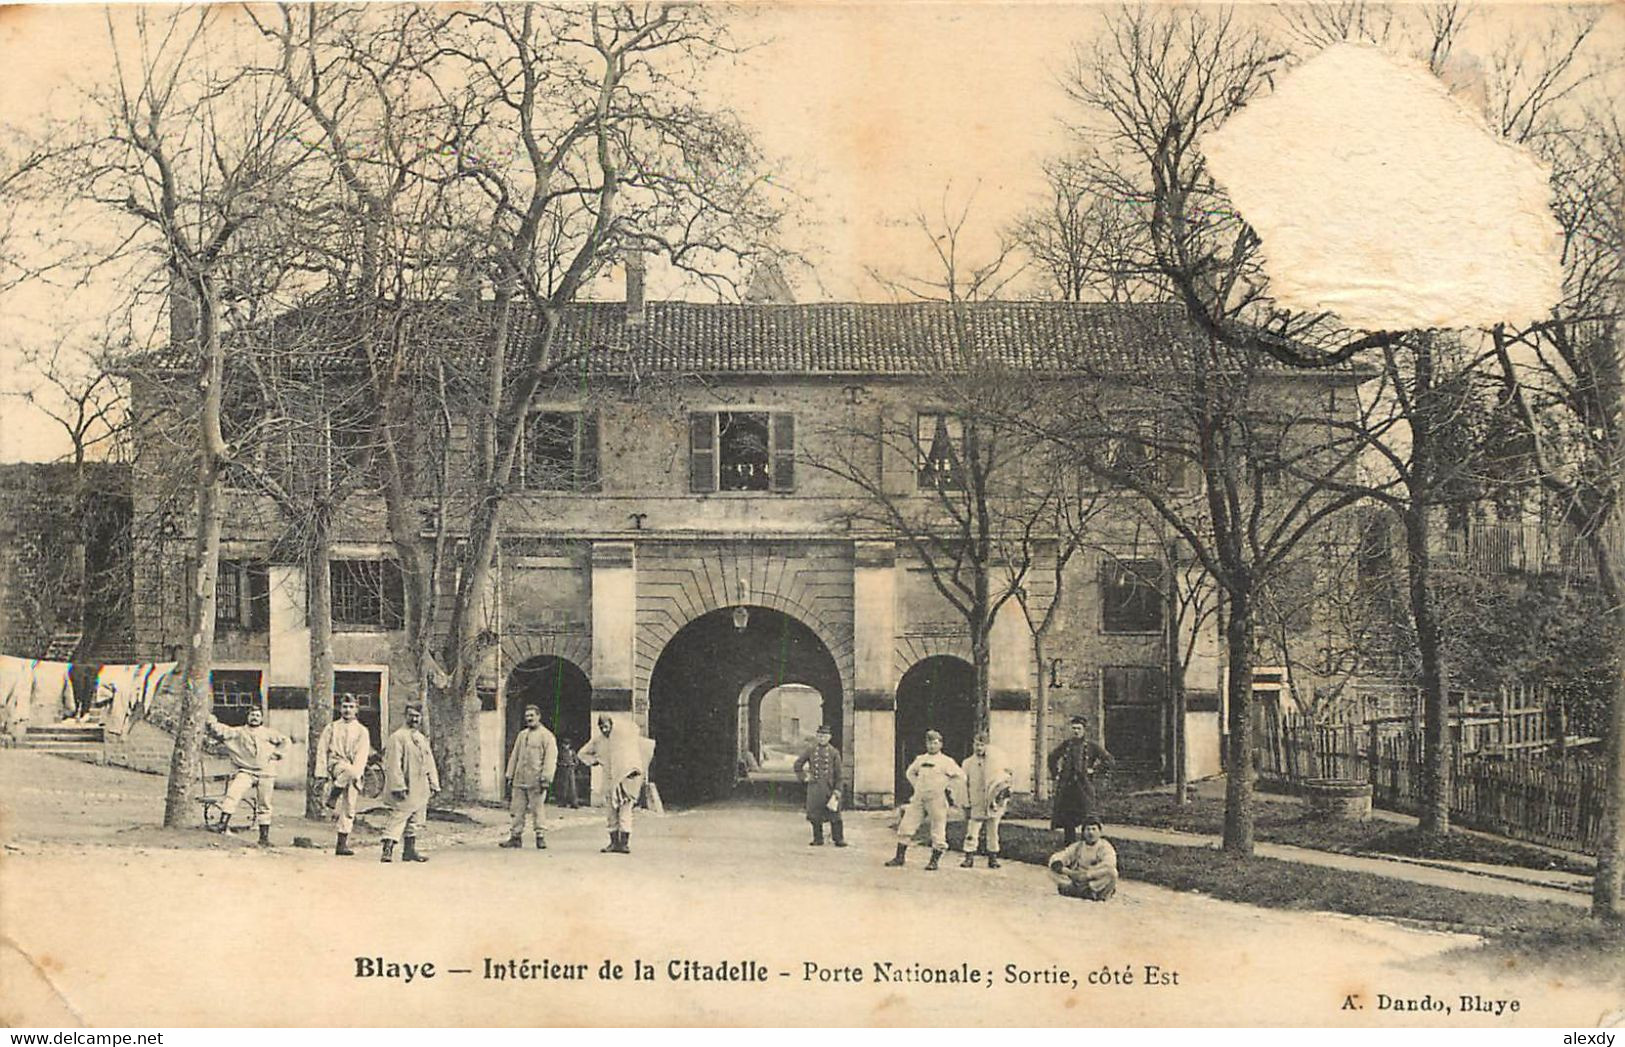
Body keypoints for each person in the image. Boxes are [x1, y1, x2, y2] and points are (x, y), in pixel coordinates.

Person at [206, 705, 288, 846]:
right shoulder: (239, 732)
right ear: (247, 717)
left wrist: (278, 754)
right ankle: (222, 824)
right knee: (233, 793)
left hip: (266, 772)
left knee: (265, 804)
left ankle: (264, 837)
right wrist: (210, 720)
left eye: (257, 715)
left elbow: (285, 741)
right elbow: (221, 730)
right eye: (252, 715)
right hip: (246, 771)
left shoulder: (269, 733)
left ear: (262, 718)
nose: (254, 718)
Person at [885, 729, 963, 870]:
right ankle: (899, 857)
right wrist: (917, 786)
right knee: (906, 825)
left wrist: (948, 788)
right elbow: (910, 773)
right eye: (929, 743)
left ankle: (934, 861)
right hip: (919, 798)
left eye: (935, 743)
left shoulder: (946, 761)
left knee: (938, 829)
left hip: (937, 799)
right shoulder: (921, 759)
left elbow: (960, 777)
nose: (932, 746)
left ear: (940, 744)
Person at [576, 714, 646, 854]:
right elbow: (582, 753)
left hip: (625, 780)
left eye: (607, 726)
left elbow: (636, 757)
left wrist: (632, 770)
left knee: (625, 811)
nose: (604, 729)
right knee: (611, 812)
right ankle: (613, 843)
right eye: (601, 727)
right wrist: (595, 760)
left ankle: (624, 844)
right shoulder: (598, 740)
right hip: (608, 780)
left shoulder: (623, 740)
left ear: (612, 726)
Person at [381, 705, 439, 864]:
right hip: (406, 785)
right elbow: (393, 764)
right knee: (399, 816)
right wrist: (398, 786)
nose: (414, 719)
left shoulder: (421, 738)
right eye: (411, 715)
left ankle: (409, 850)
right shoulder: (397, 737)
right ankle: (387, 849)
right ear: (405, 716)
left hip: (421, 785)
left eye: (417, 716)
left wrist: (434, 783)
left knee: (416, 818)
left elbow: (429, 762)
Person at [314, 696, 371, 856]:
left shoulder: (361, 731)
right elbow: (322, 750)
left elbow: (362, 754)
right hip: (336, 764)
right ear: (340, 708)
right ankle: (333, 795)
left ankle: (341, 844)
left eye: (351, 707)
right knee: (348, 771)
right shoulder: (331, 727)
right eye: (345, 706)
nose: (347, 710)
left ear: (356, 710)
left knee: (349, 806)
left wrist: (357, 773)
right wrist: (321, 773)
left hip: (352, 769)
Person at [1049, 715, 1115, 844]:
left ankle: (1087, 848)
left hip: (1084, 788)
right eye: (1073, 728)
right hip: (1067, 789)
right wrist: (1055, 773)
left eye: (1078, 728)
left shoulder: (1091, 746)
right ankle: (1070, 849)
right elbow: (1052, 757)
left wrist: (1094, 770)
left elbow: (1109, 760)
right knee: (1068, 821)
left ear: (1084, 730)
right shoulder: (1066, 745)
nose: (1076, 731)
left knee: (1088, 818)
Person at [502, 705, 558, 850]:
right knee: (517, 809)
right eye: (527, 716)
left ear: (539, 716)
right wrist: (510, 774)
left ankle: (540, 837)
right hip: (520, 779)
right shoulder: (522, 735)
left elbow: (550, 759)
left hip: (536, 780)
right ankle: (515, 837)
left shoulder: (547, 736)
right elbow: (515, 755)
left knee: (537, 809)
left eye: (532, 716)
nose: (529, 719)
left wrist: (546, 778)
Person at [960, 731, 1013, 869]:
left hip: (992, 803)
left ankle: (993, 858)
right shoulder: (968, 763)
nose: (979, 748)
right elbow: (962, 784)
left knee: (993, 831)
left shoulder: (996, 762)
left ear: (987, 746)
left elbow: (1004, 780)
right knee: (972, 831)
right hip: (976, 801)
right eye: (977, 745)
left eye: (982, 745)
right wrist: (965, 803)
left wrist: (1000, 797)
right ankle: (969, 857)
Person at [792, 723, 845, 847]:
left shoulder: (834, 752)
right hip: (815, 788)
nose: (822, 738)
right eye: (820, 736)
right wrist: (804, 777)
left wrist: (838, 789)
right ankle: (818, 838)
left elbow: (839, 774)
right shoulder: (811, 750)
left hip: (829, 787)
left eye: (825, 736)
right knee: (815, 814)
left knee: (835, 814)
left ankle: (838, 839)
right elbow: (797, 764)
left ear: (829, 737)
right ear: (817, 736)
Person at [1048, 818, 1119, 901]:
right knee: (1051, 870)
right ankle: (1074, 889)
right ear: (1083, 832)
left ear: (1100, 832)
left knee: (1112, 873)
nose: (1090, 832)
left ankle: (1092, 892)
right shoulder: (1078, 846)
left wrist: (1087, 875)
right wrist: (1069, 872)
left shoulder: (1105, 847)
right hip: (1077, 878)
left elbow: (1109, 864)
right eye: (1088, 829)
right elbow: (1061, 856)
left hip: (1094, 881)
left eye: (1094, 829)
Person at [555, 741, 581, 809]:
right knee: (564, 787)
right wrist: (562, 764)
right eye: (565, 744)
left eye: (567, 745)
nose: (566, 746)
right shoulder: (561, 753)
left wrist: (573, 765)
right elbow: (557, 761)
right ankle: (563, 802)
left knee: (572, 786)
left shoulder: (572, 752)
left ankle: (574, 803)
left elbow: (576, 761)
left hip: (571, 770)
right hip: (563, 770)